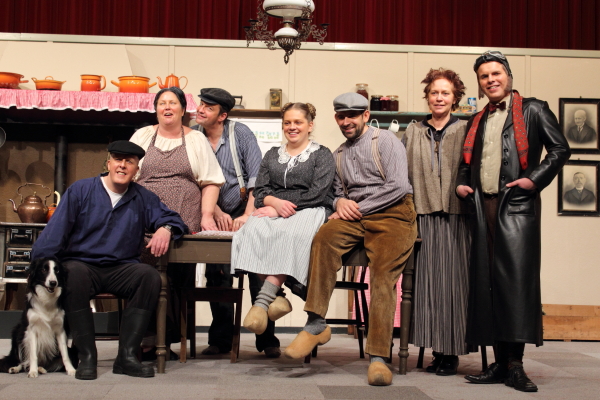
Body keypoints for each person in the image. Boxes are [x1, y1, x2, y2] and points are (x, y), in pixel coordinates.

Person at [456, 51, 570, 392]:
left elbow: (560, 149)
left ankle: (516, 366)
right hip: (482, 209)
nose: (491, 80)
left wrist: (533, 180)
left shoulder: (533, 109)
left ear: (508, 75)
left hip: (516, 208)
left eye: (496, 73)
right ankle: (499, 364)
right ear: (479, 83)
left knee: (515, 286)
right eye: (484, 76)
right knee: (488, 285)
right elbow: (466, 162)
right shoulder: (477, 119)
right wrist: (462, 183)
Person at [284, 93, 417, 387]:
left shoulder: (386, 141)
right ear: (336, 118)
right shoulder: (338, 154)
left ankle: (378, 357)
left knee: (382, 277)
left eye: (353, 116)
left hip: (393, 213)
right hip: (356, 215)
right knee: (323, 239)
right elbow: (335, 193)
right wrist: (339, 203)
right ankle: (316, 322)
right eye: (342, 116)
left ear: (365, 116)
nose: (347, 121)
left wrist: (357, 208)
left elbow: (398, 186)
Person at [31, 141, 188, 380]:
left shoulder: (143, 197)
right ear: (109, 163)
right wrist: (38, 266)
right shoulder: (81, 190)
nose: (122, 165)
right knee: (71, 274)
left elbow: (174, 219)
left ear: (137, 170)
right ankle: (87, 356)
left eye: (129, 162)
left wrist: (165, 228)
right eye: (118, 160)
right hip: (83, 265)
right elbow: (55, 233)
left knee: (149, 276)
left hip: (122, 268)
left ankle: (126, 357)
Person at [129, 87, 225, 354]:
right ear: (156, 109)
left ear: (183, 110)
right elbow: (126, 174)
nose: (167, 107)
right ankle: (145, 337)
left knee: (174, 275)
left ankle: (167, 337)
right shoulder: (142, 136)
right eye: (162, 103)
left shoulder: (196, 139)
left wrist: (207, 215)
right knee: (143, 272)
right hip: (145, 215)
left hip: (183, 216)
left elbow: (211, 181)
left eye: (173, 103)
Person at [191, 88, 282, 358]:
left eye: (208, 107)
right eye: (201, 104)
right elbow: (194, 180)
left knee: (258, 271)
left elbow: (257, 178)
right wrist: (214, 211)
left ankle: (267, 338)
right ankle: (220, 339)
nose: (201, 110)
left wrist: (247, 215)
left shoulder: (239, 133)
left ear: (222, 116)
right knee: (216, 275)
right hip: (211, 211)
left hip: (247, 207)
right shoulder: (193, 136)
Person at [231, 102, 335, 338]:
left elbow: (318, 193)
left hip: (310, 208)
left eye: (298, 122)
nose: (292, 127)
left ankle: (262, 301)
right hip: (274, 207)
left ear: (310, 125)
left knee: (291, 234)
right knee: (251, 230)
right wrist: (273, 203)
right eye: (287, 122)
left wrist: (280, 207)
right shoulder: (272, 154)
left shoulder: (322, 154)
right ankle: (278, 297)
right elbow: (261, 190)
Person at [403, 68, 471, 376]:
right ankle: (435, 350)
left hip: (458, 218)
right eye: (434, 92)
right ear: (427, 97)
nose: (439, 97)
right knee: (427, 286)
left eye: (445, 93)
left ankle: (451, 352)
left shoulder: (467, 130)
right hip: (423, 218)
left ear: (455, 98)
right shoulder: (413, 131)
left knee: (454, 286)